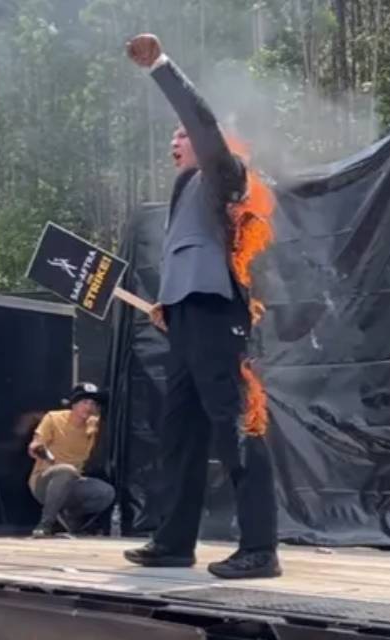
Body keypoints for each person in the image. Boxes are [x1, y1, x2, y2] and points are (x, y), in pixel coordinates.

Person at [123, 33, 280, 579]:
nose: (174, 143)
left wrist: (162, 68)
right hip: (186, 317)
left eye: (180, 136)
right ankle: (173, 542)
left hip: (218, 315)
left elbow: (204, 124)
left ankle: (261, 548)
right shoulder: (184, 191)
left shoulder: (224, 173)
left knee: (236, 425)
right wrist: (169, 304)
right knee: (179, 433)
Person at [26, 382, 115, 538]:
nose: (88, 407)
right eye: (84, 402)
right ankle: (45, 524)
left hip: (73, 482)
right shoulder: (53, 418)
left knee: (106, 492)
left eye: (93, 403)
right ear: (73, 404)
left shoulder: (93, 425)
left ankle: (69, 515)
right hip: (44, 482)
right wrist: (39, 449)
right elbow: (35, 444)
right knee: (66, 470)